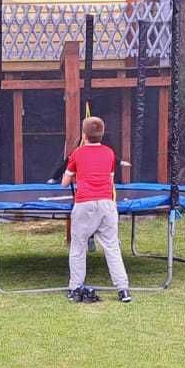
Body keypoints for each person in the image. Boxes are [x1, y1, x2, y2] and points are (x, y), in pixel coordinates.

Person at [60, 115, 131, 303]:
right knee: (112, 246)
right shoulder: (109, 153)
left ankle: (75, 288)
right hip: (107, 203)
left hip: (85, 203)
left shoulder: (77, 154)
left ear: (84, 135)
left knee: (78, 246)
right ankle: (123, 289)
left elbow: (64, 183)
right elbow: (109, 179)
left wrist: (76, 176)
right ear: (102, 134)